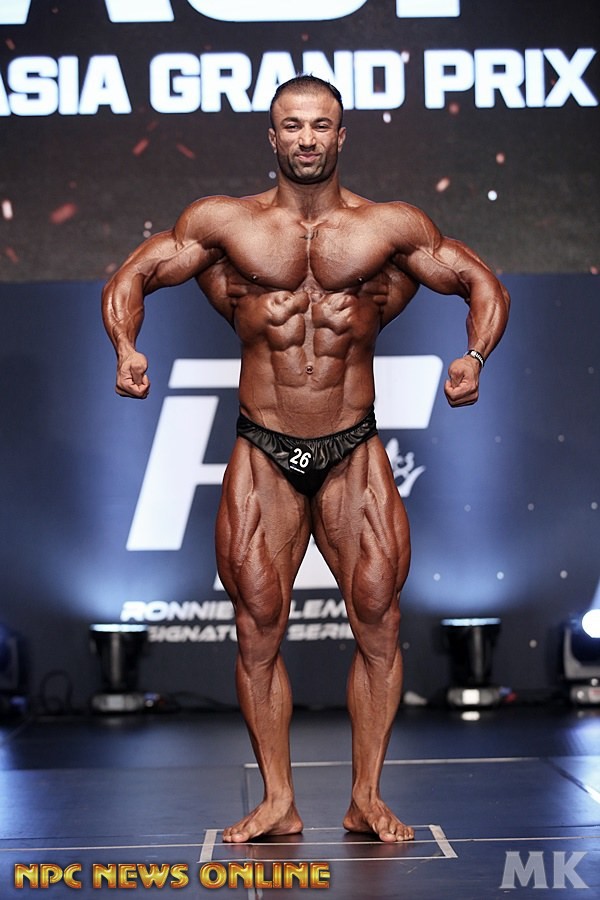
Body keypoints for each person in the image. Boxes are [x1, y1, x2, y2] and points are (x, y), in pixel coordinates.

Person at [102, 75, 510, 844]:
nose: (307, 139)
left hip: (353, 448)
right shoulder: (225, 224)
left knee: (379, 622)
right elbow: (136, 273)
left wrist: (475, 357)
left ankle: (366, 797)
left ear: (341, 134)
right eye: (292, 125)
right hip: (264, 449)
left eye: (321, 125)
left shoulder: (389, 227)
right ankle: (278, 801)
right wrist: (126, 347)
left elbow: (477, 281)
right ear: (273, 135)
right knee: (258, 626)